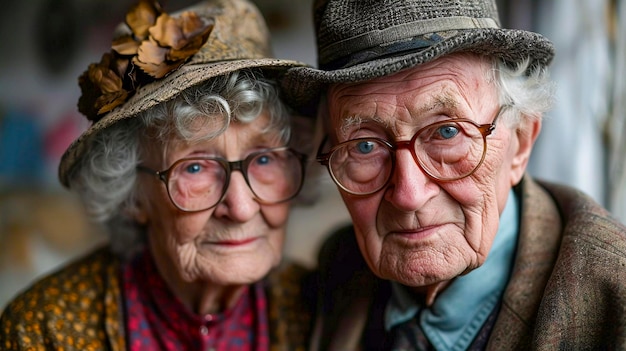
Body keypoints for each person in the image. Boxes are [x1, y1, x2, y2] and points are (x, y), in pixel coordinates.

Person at [281, 0, 626, 349]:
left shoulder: (614, 302)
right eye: (365, 146)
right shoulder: (337, 270)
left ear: (520, 143)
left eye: (447, 132)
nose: (408, 195)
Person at [0, 0, 315, 349]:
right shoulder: (44, 331)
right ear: (134, 193)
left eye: (265, 159)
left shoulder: (321, 309)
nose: (241, 207)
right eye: (195, 167)